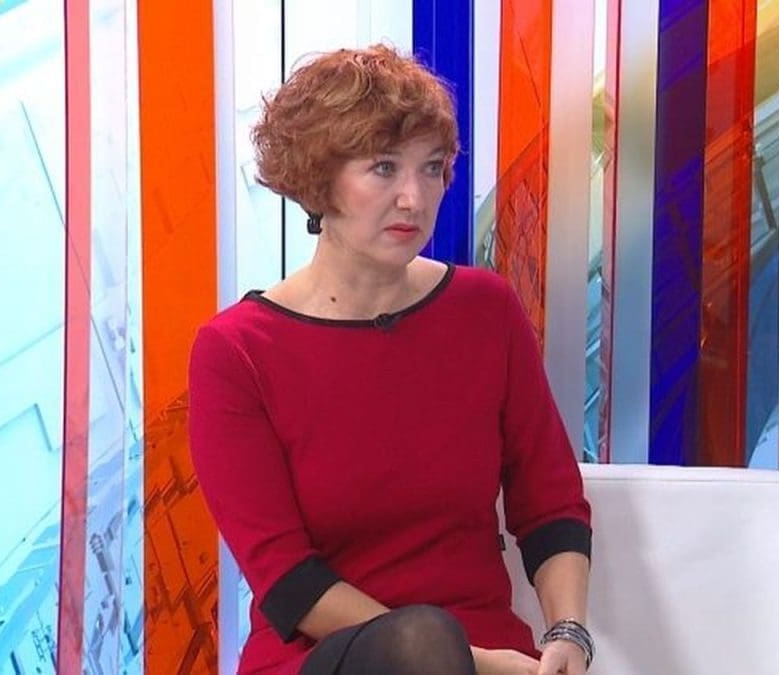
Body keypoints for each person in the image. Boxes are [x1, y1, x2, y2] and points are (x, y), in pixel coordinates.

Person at [187, 45, 594, 675]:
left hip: (490, 651)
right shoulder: (236, 352)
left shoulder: (485, 310)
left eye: (431, 169)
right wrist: (480, 664)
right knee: (422, 644)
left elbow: (550, 502)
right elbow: (288, 581)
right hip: (329, 656)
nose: (414, 198)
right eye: (383, 168)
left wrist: (567, 635)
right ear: (319, 178)